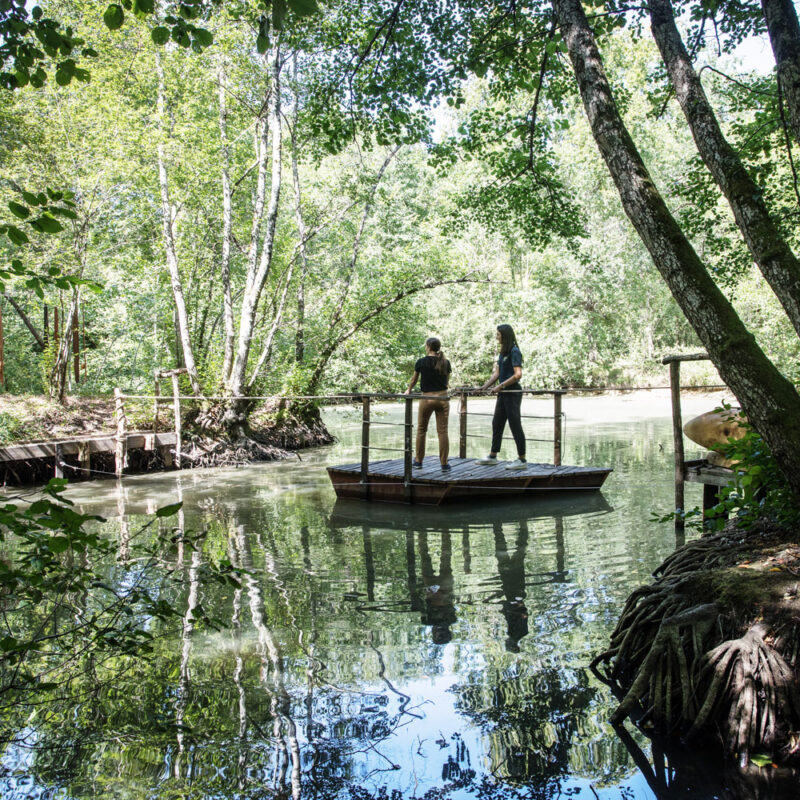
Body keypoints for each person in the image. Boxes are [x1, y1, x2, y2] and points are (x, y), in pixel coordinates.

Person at [477, 324, 527, 470]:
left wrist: (501, 386)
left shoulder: (514, 351)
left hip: (512, 393)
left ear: (505, 335)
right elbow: (497, 374)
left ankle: (522, 460)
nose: (496, 337)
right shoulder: (502, 352)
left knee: (515, 424)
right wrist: (483, 387)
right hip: (503, 394)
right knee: (497, 422)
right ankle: (493, 456)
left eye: (498, 334)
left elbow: (518, 375)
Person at [405, 337, 452, 470]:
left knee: (421, 430)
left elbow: (414, 379)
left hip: (426, 398)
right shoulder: (445, 362)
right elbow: (446, 382)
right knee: (442, 431)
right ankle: (444, 463)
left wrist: (409, 390)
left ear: (428, 347)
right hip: (443, 398)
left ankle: (419, 461)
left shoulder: (421, 362)